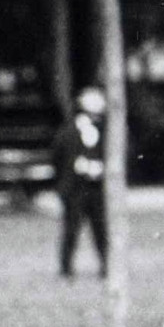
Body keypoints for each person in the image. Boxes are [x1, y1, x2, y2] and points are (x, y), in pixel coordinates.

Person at [53, 86, 109, 278]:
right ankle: (66, 268)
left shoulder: (106, 131)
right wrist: (76, 168)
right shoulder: (69, 131)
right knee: (71, 229)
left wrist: (100, 167)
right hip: (75, 189)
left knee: (101, 229)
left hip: (96, 188)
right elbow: (59, 157)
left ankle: (106, 266)